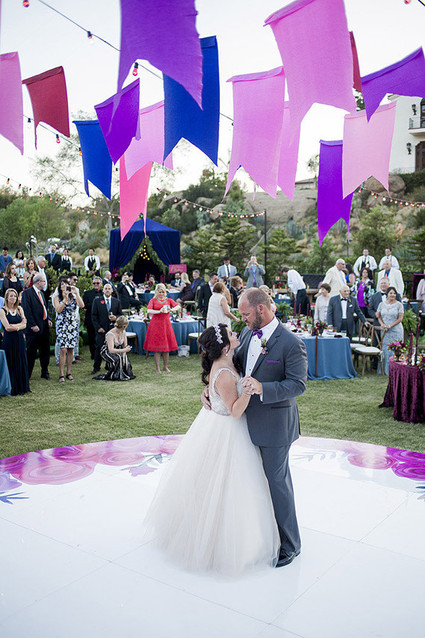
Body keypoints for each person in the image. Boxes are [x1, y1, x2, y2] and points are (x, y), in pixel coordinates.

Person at [145, 323, 280, 574]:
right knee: (228, 488)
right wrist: (248, 390)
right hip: (228, 432)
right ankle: (226, 546)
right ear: (225, 346)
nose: (236, 334)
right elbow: (235, 411)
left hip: (220, 427)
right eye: (231, 334)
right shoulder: (225, 373)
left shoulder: (227, 362)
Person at [218, 288, 308, 568]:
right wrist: (211, 390)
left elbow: (298, 384)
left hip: (275, 426)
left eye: (245, 313)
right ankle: (261, 537)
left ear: (261, 309)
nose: (241, 319)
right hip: (243, 421)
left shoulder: (291, 343)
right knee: (252, 482)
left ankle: (291, 544)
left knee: (277, 483)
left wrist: (262, 388)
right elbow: (232, 367)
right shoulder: (247, 333)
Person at [53, 277, 84, 383]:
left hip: (72, 325)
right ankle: (61, 374)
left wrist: (77, 293)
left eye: (66, 284)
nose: (64, 286)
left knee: (71, 349)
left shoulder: (74, 297)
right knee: (63, 349)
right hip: (62, 325)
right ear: (59, 287)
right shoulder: (57, 297)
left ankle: (69, 372)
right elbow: (58, 310)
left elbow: (82, 305)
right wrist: (65, 299)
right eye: (62, 284)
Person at [21, 273, 51, 380]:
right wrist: (32, 325)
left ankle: (44, 372)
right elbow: (26, 310)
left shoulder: (41, 293)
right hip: (33, 329)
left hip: (44, 327)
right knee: (31, 352)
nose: (45, 283)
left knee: (45, 351)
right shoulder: (27, 293)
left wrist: (48, 319)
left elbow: (44, 308)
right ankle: (27, 374)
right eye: (44, 281)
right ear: (38, 282)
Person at [0, 288, 30, 395]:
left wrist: (16, 327)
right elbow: (7, 327)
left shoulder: (19, 309)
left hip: (19, 339)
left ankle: (22, 386)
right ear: (7, 298)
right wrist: (19, 326)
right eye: (11, 296)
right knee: (11, 361)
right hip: (9, 340)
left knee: (20, 360)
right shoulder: (2, 311)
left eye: (15, 296)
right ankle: (12, 387)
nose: (13, 298)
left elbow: (25, 324)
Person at [144, 283, 179, 373]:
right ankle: (157, 368)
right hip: (156, 325)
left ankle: (165, 366)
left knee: (166, 348)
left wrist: (171, 309)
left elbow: (178, 306)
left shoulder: (169, 300)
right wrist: (159, 311)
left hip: (166, 325)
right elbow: (149, 310)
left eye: (163, 292)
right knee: (157, 348)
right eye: (160, 292)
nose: (161, 294)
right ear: (156, 292)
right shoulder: (153, 300)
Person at [91, 283, 122, 375]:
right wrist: (98, 328)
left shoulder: (116, 301)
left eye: (109, 288)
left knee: (111, 348)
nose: (107, 290)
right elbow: (93, 316)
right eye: (106, 288)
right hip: (102, 329)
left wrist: (116, 317)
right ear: (103, 290)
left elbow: (120, 314)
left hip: (112, 330)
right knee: (99, 348)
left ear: (112, 290)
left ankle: (109, 366)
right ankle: (96, 367)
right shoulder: (97, 301)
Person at [96, 315, 135, 381]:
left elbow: (125, 345)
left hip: (119, 349)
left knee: (125, 360)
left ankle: (123, 374)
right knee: (118, 359)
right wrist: (124, 350)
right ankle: (115, 375)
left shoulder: (123, 332)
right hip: (107, 351)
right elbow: (111, 350)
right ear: (123, 326)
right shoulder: (110, 334)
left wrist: (124, 356)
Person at [376, 286, 404, 375]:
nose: (392, 295)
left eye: (394, 293)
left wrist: (390, 326)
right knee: (385, 348)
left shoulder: (399, 305)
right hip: (385, 330)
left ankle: (396, 370)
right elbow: (378, 316)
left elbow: (400, 319)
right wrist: (382, 324)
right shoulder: (381, 304)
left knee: (396, 348)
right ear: (387, 294)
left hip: (396, 330)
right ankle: (385, 369)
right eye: (391, 293)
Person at [82, 277, 103, 361]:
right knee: (91, 338)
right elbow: (84, 305)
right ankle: (93, 355)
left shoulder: (103, 292)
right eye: (94, 283)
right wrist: (96, 303)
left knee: (101, 337)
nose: (96, 285)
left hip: (101, 319)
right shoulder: (87, 293)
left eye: (97, 283)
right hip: (90, 319)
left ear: (101, 284)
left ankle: (102, 354)